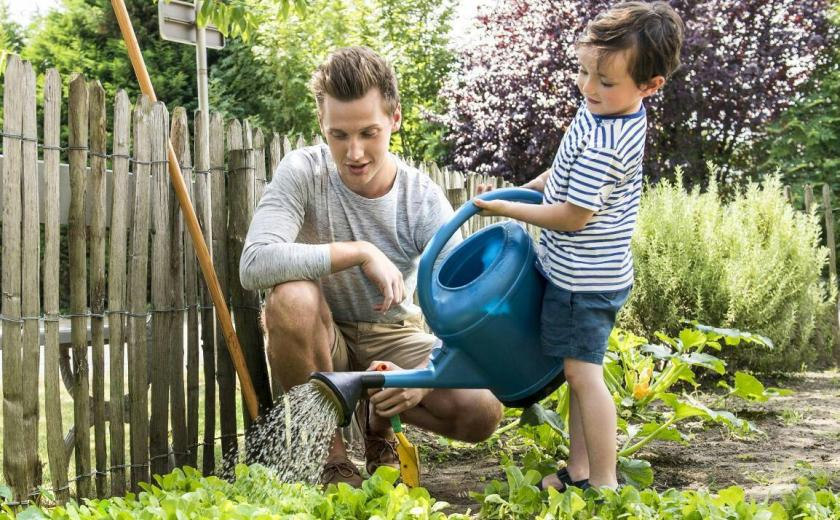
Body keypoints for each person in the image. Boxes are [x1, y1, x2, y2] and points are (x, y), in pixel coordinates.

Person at [240, 46, 503, 487]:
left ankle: (377, 417)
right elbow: (254, 263)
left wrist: (426, 376)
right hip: (323, 336)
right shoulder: (303, 172)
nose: (354, 152)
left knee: (481, 412)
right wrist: (359, 250)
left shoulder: (421, 200)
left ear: (395, 119)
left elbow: (463, 307)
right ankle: (332, 460)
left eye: (369, 132)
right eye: (338, 135)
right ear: (321, 123)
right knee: (290, 298)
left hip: (396, 335)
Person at [473, 2, 684, 491]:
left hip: (584, 282)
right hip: (582, 272)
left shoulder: (609, 142)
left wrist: (508, 210)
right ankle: (582, 469)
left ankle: (604, 482)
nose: (589, 87)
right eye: (584, 72)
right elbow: (563, 173)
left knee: (583, 375)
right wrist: (523, 189)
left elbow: (571, 215)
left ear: (650, 85)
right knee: (577, 374)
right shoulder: (602, 112)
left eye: (605, 81)